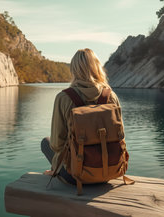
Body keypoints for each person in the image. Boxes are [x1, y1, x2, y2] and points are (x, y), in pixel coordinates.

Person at [40, 48, 122, 184]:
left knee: (45, 142)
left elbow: (56, 144)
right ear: (98, 68)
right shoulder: (111, 96)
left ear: (74, 70)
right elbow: (120, 136)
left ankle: (54, 171)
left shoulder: (64, 97)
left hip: (74, 176)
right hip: (109, 171)